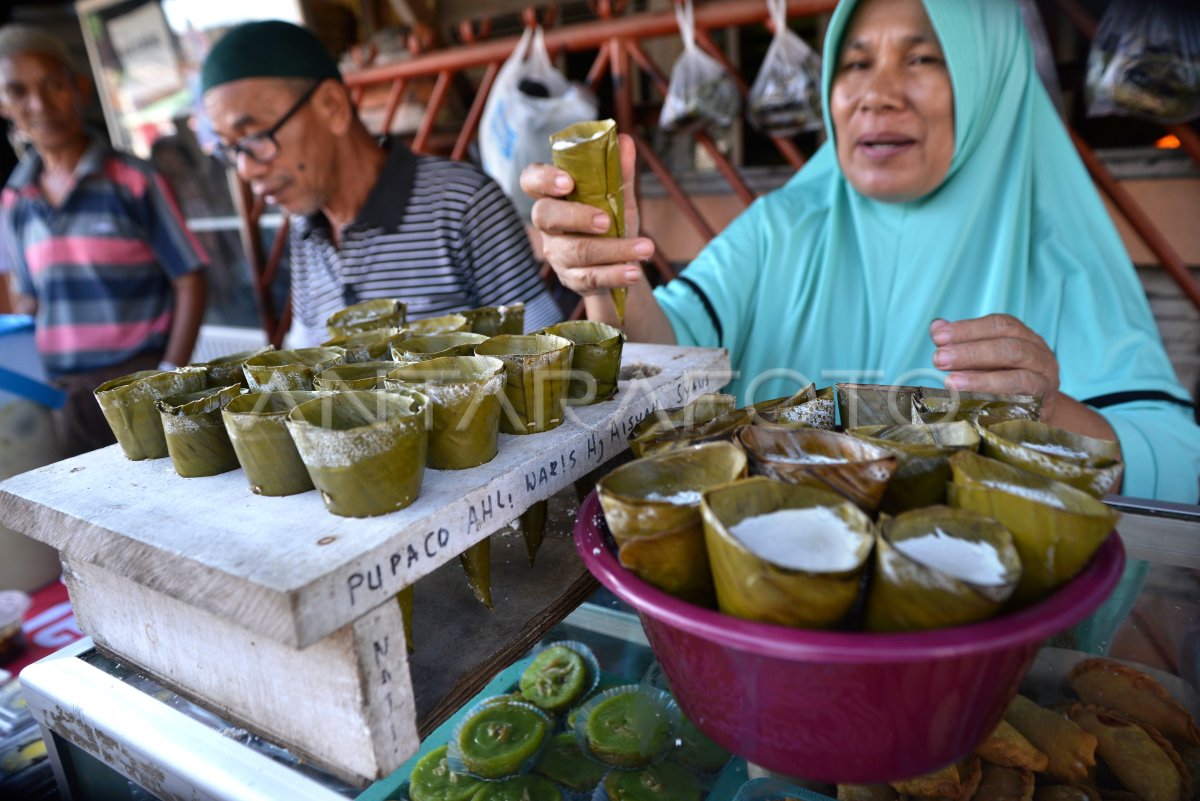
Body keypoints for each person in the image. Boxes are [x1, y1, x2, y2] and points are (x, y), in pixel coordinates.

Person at [523, 0, 1200, 505]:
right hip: (765, 611)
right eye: (855, 63)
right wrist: (613, 277)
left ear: (990, 77)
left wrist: (1051, 418)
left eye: (923, 58)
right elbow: (670, 347)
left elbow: (1177, 462)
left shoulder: (1057, 253)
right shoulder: (783, 225)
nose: (877, 95)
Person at [199, 21, 563, 348]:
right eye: (230, 149)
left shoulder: (461, 202)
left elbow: (541, 355)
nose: (245, 170)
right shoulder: (305, 230)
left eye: (255, 138)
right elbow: (304, 353)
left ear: (332, 107)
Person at [0, 25, 208, 458]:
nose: (38, 105)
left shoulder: (134, 181)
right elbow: (28, 300)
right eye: (17, 92)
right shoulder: (15, 199)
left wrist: (168, 375)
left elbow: (190, 277)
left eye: (53, 84)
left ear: (80, 88)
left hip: (140, 381)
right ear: (3, 104)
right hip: (66, 397)